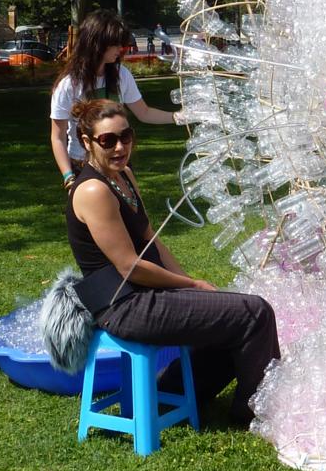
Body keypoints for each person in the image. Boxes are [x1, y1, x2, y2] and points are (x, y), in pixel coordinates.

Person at [65, 98, 279, 425]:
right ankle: (255, 412)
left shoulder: (123, 176)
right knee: (256, 313)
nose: (120, 147)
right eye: (108, 140)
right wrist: (191, 284)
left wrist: (190, 287)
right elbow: (130, 267)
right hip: (124, 305)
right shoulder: (93, 191)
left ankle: (170, 391)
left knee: (232, 312)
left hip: (144, 293)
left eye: (126, 136)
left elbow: (151, 239)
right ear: (87, 142)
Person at [50, 9, 176, 193]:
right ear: (97, 44)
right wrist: (69, 178)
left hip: (119, 161)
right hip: (83, 165)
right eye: (116, 43)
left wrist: (179, 117)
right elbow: (58, 137)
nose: (121, 48)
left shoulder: (122, 75)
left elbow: (144, 113)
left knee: (132, 210)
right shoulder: (69, 85)